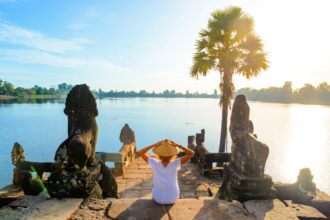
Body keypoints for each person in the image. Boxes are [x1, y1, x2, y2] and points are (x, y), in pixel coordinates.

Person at [137, 139, 195, 204]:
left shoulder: (154, 163)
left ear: (158, 154)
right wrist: (179, 145)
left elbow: (140, 152)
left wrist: (154, 144)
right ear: (172, 155)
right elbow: (191, 153)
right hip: (173, 198)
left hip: (158, 198)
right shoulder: (175, 163)